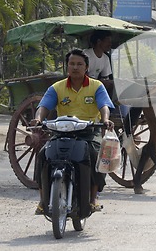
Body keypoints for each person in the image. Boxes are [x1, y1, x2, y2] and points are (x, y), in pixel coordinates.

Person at [31, 49, 115, 214]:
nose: (75, 67)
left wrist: (105, 119)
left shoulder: (96, 86)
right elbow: (44, 107)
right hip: (62, 132)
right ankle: (42, 200)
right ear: (66, 66)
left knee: (96, 154)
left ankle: (93, 199)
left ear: (86, 67)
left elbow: (104, 106)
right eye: (72, 64)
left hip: (89, 132)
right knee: (43, 155)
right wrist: (38, 119)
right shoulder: (57, 88)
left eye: (79, 64)